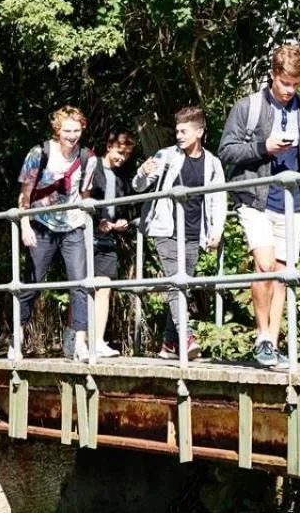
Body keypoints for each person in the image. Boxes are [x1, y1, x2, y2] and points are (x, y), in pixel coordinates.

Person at [217, 45, 300, 370]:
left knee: (282, 274)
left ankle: (272, 340)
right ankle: (262, 338)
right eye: (285, 83)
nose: (289, 91)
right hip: (255, 197)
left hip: (292, 201)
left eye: (295, 85)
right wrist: (263, 148)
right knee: (265, 265)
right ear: (273, 75)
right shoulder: (249, 107)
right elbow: (226, 151)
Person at [133, 106, 226, 359]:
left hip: (194, 232)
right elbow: (139, 186)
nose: (179, 136)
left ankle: (169, 345)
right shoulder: (166, 156)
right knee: (177, 283)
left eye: (184, 131)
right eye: (177, 131)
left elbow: (218, 198)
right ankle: (185, 338)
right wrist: (143, 173)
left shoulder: (212, 163)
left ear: (199, 132)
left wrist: (216, 229)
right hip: (166, 229)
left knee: (182, 286)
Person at [14, 106, 98, 361]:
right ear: (57, 131)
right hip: (41, 224)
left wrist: (87, 224)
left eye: (77, 130)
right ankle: (15, 340)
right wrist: (25, 225)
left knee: (80, 284)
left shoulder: (88, 158)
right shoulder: (39, 154)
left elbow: (85, 195)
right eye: (67, 131)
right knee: (32, 284)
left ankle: (81, 344)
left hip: (73, 225)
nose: (72, 136)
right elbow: (24, 195)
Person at [87, 130, 136, 357]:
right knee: (84, 287)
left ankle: (97, 341)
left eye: (126, 154)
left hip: (108, 238)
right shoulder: (91, 166)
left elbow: (120, 207)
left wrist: (120, 222)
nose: (122, 157)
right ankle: (76, 340)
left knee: (104, 287)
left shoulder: (120, 177)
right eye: (119, 151)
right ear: (109, 146)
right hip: (85, 234)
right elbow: (81, 198)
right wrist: (97, 221)